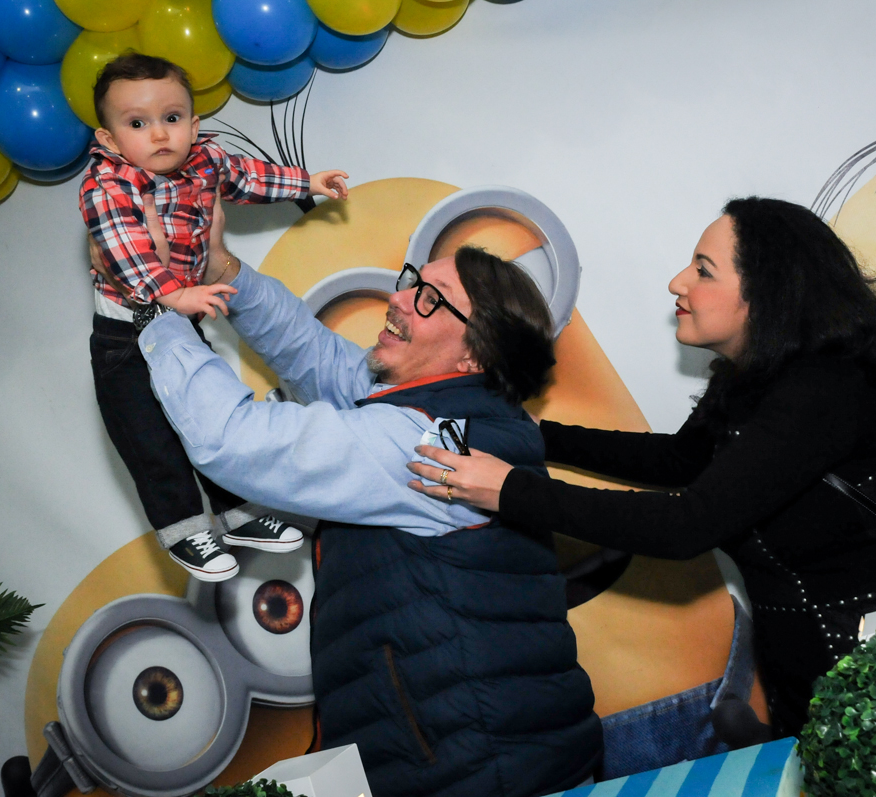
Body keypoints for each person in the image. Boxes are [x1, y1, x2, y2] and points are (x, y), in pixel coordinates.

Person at [407, 196, 876, 738]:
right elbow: (678, 460)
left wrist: (509, 490)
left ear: (767, 291)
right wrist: (533, 436)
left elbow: (687, 523)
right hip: (818, 679)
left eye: (703, 270)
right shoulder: (750, 381)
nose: (677, 282)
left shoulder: (825, 387)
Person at [132, 204, 602, 796]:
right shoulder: (452, 412)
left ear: (476, 357)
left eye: (431, 299)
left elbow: (230, 439)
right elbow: (318, 359)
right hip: (495, 756)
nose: (399, 299)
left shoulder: (426, 444)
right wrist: (222, 267)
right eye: (413, 282)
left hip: (483, 774)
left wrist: (153, 306)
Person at [81, 52, 349, 581]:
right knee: (151, 440)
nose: (159, 134)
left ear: (194, 124)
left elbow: (250, 177)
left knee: (214, 417)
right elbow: (122, 246)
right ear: (109, 139)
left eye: (172, 117)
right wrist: (170, 294)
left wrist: (306, 183)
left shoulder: (205, 161)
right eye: (137, 124)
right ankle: (185, 531)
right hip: (124, 336)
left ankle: (241, 513)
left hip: (180, 319)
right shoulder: (107, 183)